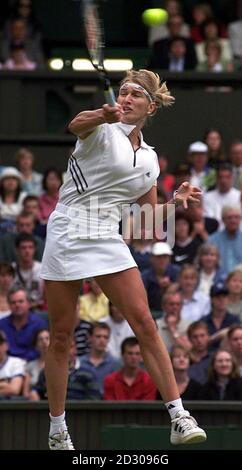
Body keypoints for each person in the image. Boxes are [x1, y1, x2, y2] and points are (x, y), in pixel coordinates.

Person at [40, 69, 206, 449]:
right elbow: (74, 123)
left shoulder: (149, 158)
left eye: (135, 94)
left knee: (146, 321)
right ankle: (57, 429)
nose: (127, 98)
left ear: (150, 106)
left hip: (107, 233)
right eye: (124, 92)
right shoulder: (101, 127)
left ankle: (179, 415)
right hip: (69, 228)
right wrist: (102, 114)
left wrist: (173, 204)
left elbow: (147, 219)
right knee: (62, 336)